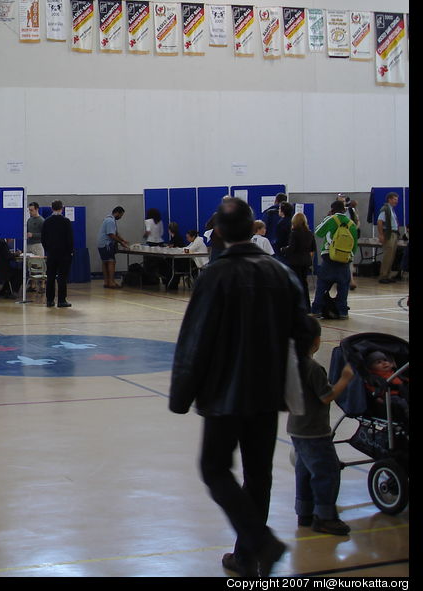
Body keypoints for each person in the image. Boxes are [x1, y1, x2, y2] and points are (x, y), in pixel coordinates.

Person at [170, 197, 314, 578]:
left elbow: (195, 340)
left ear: (217, 232)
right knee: (258, 474)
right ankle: (247, 555)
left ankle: (259, 542)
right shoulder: (279, 273)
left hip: (224, 395)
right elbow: (306, 330)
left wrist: (182, 395)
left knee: (215, 468)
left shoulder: (214, 276)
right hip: (267, 393)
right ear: (254, 229)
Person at [288, 316, 355, 536]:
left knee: (304, 470)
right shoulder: (313, 368)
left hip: (297, 427)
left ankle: (304, 511)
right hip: (315, 431)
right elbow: (327, 397)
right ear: (316, 341)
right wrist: (344, 379)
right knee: (327, 471)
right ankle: (325, 516)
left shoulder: (290, 364)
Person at [311, 200, 358, 321]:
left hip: (329, 257)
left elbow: (318, 232)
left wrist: (327, 218)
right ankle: (342, 312)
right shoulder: (351, 223)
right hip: (344, 260)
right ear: (344, 210)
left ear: (332, 210)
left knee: (322, 285)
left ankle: (316, 310)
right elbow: (354, 245)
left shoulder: (331, 219)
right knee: (343, 287)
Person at [41, 200, 74, 307]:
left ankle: (49, 300)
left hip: (51, 253)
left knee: (50, 277)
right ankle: (61, 300)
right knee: (62, 278)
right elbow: (70, 239)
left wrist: (48, 249)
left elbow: (43, 239)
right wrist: (70, 251)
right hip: (64, 254)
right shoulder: (66, 221)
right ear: (62, 208)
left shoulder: (46, 221)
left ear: (51, 208)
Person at [363, 351, 410, 423]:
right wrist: (376, 397)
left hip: (401, 393)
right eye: (378, 362)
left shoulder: (394, 372)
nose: (384, 363)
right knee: (400, 402)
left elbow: (403, 380)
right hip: (388, 396)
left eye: (385, 360)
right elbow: (371, 389)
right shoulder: (374, 378)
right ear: (371, 367)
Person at [284, 212, 315, 311]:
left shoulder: (294, 233)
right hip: (306, 261)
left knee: (296, 283)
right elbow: (313, 248)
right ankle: (307, 306)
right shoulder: (309, 233)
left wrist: (283, 249)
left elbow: (292, 248)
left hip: (295, 261)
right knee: (304, 283)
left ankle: (296, 306)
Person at [97, 207, 129, 289]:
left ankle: (106, 282)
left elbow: (116, 233)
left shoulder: (108, 219)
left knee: (105, 262)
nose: (121, 217)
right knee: (111, 261)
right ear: (118, 213)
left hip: (102, 244)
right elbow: (111, 234)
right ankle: (111, 282)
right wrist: (121, 243)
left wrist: (123, 240)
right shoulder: (110, 221)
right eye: (121, 215)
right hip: (106, 244)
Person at [376, 192, 401, 284]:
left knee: (392, 256)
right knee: (387, 255)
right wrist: (381, 234)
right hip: (389, 234)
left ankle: (388, 275)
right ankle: (383, 275)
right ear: (389, 199)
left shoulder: (391, 210)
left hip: (394, 234)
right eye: (394, 199)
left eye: (397, 199)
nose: (396, 201)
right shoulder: (385, 209)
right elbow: (380, 221)